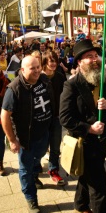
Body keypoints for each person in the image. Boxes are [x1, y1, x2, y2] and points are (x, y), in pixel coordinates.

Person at [59, 39, 106, 213]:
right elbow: (65, 117)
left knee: (87, 174)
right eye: (88, 57)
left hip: (102, 140)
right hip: (83, 142)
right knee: (99, 185)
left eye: (95, 56)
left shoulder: (105, 79)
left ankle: (80, 204)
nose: (94, 60)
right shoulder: (72, 85)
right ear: (79, 62)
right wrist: (89, 128)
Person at [0, 56, 55, 213]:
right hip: (26, 137)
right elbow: (4, 116)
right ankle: (31, 198)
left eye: (38, 67)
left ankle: (34, 174)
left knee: (37, 159)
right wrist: (12, 140)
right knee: (25, 168)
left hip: (44, 132)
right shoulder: (14, 89)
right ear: (22, 70)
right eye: (33, 68)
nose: (37, 70)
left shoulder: (43, 80)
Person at [41, 50, 67, 185]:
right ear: (45, 61)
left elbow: (66, 95)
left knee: (55, 145)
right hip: (42, 118)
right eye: (51, 61)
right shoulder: (38, 77)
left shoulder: (60, 76)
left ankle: (53, 170)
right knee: (41, 145)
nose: (54, 64)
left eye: (55, 61)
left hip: (57, 116)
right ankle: (36, 166)